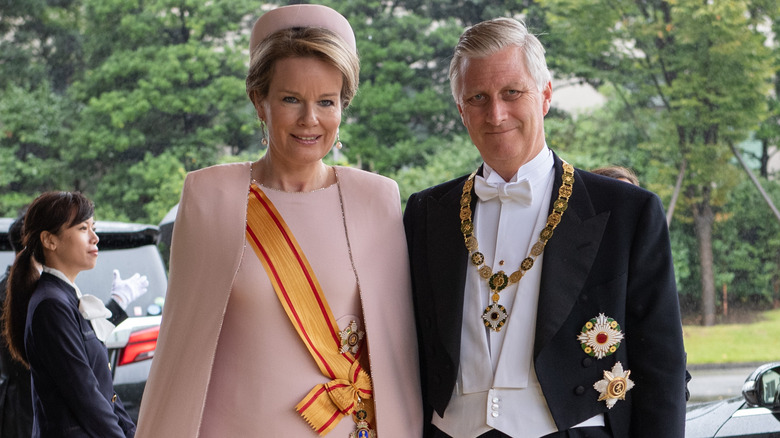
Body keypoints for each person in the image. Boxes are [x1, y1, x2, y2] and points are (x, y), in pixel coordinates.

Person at [135, 4, 422, 437]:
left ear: (342, 107)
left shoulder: (375, 198)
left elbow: (396, 354)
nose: (310, 119)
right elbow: (181, 350)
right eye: (291, 99)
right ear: (260, 102)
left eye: (326, 102)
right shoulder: (210, 197)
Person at [403, 17, 687, 438]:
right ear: (462, 111)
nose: (495, 113)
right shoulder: (426, 213)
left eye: (512, 92)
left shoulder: (627, 212)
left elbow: (661, 368)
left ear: (545, 95)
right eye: (477, 97)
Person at [0, 211, 148, 438]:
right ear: (47, 240)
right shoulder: (39, 296)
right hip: (35, 409)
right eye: (82, 228)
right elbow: (83, 386)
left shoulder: (57, 291)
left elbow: (80, 342)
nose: (94, 237)